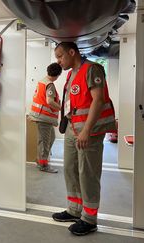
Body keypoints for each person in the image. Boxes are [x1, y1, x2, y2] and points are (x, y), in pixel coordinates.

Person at [51, 42, 117, 236]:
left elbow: (99, 100)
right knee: (70, 169)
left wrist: (86, 130)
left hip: (90, 131)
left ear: (72, 52)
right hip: (73, 129)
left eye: (60, 56)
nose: (59, 61)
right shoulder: (71, 74)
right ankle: (74, 209)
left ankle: (89, 219)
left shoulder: (92, 69)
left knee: (87, 173)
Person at [28, 63, 62, 173]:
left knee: (49, 138)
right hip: (44, 118)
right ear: (58, 75)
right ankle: (43, 165)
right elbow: (50, 101)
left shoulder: (42, 81)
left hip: (41, 116)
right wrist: (61, 108)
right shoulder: (50, 84)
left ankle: (40, 159)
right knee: (45, 142)